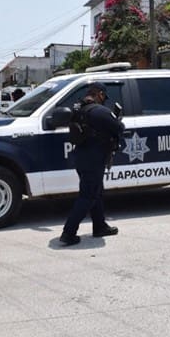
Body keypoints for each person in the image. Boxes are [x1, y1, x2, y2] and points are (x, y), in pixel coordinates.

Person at [60, 83, 124, 246]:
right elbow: (118, 128)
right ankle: (68, 233)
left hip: (81, 157)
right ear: (100, 94)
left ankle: (100, 226)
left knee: (96, 192)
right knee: (88, 196)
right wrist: (117, 119)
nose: (104, 100)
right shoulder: (100, 111)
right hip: (93, 159)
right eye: (103, 97)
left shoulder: (78, 110)